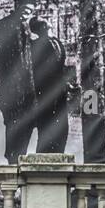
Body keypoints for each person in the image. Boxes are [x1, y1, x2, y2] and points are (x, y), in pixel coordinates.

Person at [0, 0, 38, 163]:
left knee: (26, 122)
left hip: (28, 84)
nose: (28, 14)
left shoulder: (26, 27)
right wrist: (10, 67)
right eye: (25, 10)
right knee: (13, 122)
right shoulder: (2, 26)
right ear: (17, 6)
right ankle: (13, 161)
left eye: (30, 11)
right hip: (10, 85)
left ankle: (19, 159)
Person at [30, 16, 74, 153]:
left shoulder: (57, 42)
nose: (48, 23)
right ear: (41, 27)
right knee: (45, 130)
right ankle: (43, 160)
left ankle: (59, 156)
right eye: (44, 21)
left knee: (62, 128)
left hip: (59, 92)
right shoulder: (34, 45)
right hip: (44, 93)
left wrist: (67, 85)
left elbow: (60, 69)